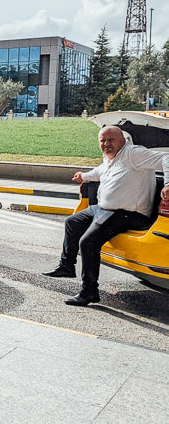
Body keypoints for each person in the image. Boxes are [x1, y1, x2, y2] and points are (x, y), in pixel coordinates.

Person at [44, 125, 169, 306]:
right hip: (104, 209)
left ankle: (89, 292)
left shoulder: (134, 153)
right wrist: (83, 176)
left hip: (128, 213)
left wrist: (167, 184)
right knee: (72, 222)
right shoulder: (110, 158)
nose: (106, 144)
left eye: (111, 140)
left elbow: (166, 157)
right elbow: (99, 171)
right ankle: (66, 266)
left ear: (122, 140)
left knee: (88, 242)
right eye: (103, 140)